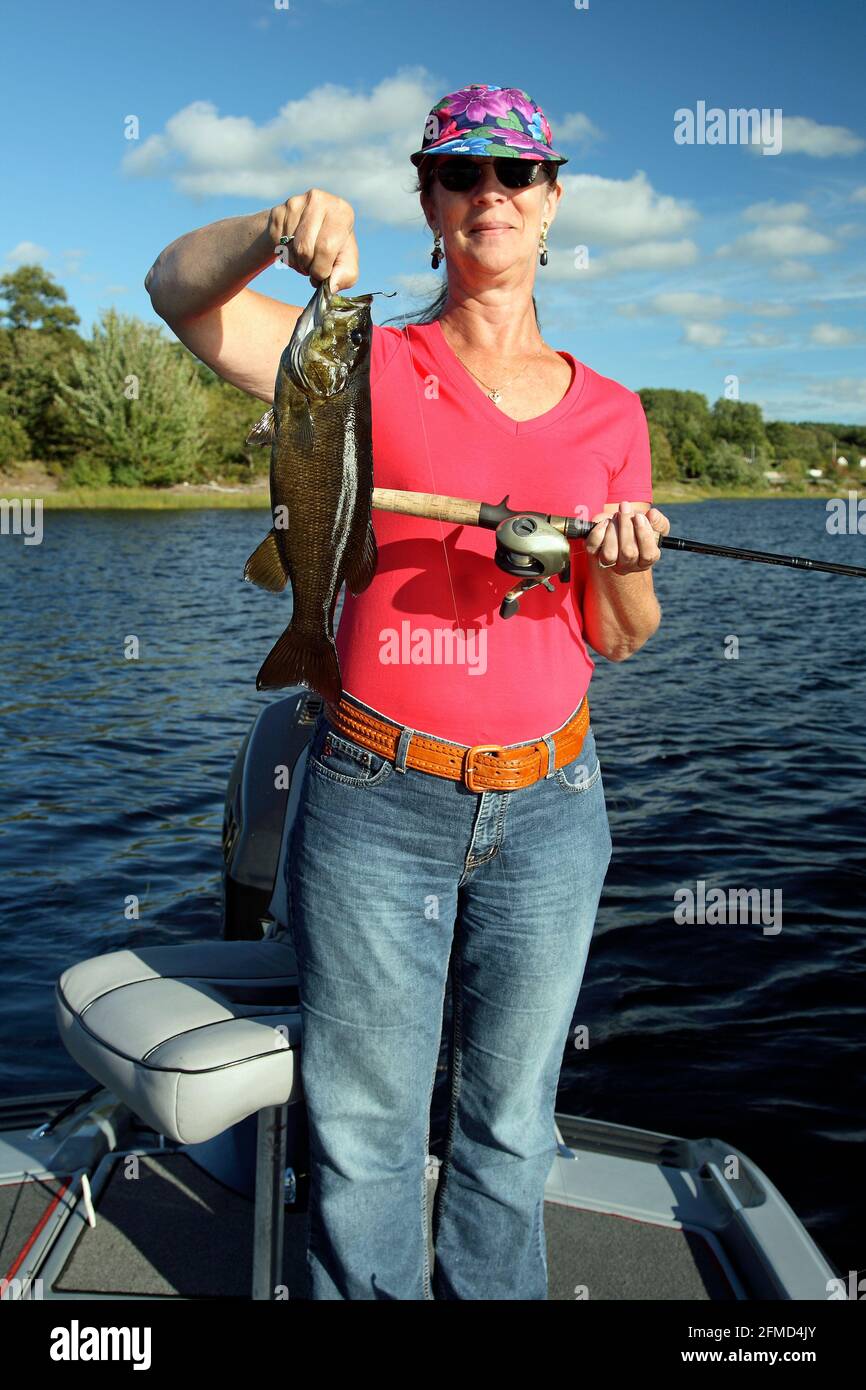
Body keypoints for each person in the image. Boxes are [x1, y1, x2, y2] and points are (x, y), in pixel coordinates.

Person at [145, 81, 670, 1301]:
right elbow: (178, 294)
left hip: (550, 805)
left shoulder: (611, 412)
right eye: (458, 173)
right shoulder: (354, 359)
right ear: (428, 203)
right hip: (374, 794)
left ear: (550, 204)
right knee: (369, 1134)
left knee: (508, 1124)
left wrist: (627, 568)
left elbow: (620, 635)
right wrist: (274, 230)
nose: (488, 193)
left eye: (515, 175)